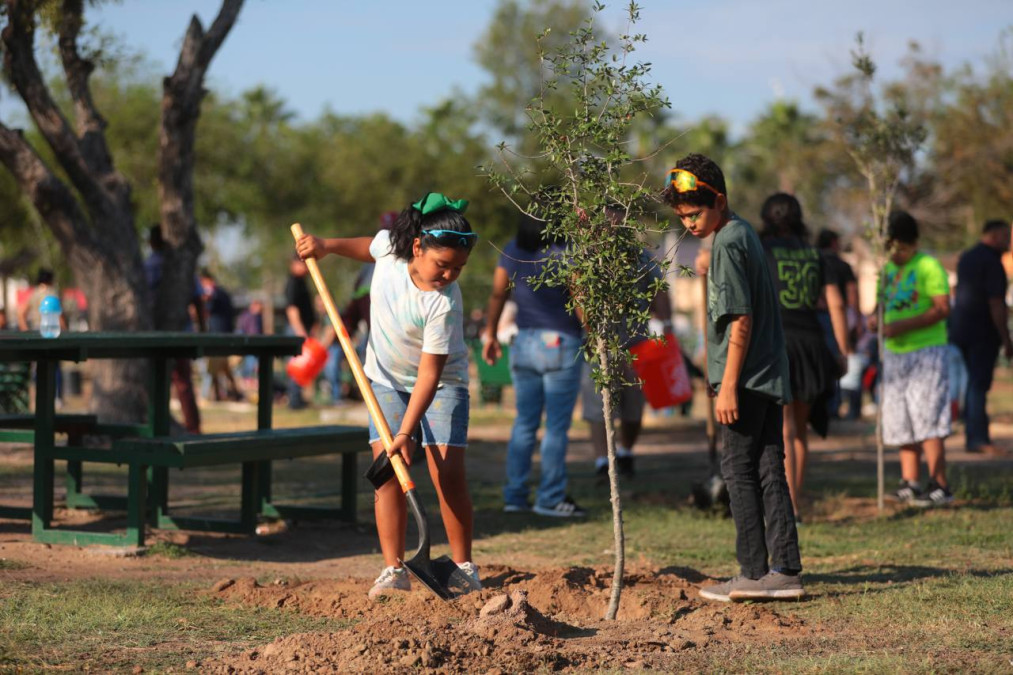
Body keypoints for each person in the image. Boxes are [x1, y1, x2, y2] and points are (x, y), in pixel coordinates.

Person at [295, 191, 481, 599]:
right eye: (443, 265)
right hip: (385, 380)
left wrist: (407, 432)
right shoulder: (391, 252)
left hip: (442, 385)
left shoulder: (444, 303)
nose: (449, 275)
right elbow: (368, 245)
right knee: (388, 474)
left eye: (458, 269)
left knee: (445, 473)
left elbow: (430, 375)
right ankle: (393, 568)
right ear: (417, 247)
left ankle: (464, 566)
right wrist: (326, 246)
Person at [663, 153, 803, 602]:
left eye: (695, 213)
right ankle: (783, 570)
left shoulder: (727, 242)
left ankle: (752, 571)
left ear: (718, 200)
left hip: (745, 381)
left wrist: (727, 385)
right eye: (682, 217)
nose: (688, 224)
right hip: (764, 374)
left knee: (738, 471)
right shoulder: (740, 232)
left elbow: (739, 320)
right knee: (767, 468)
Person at [483, 213, 586, 517]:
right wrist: (593, 333)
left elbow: (497, 293)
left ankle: (515, 495)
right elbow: (579, 295)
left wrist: (490, 333)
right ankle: (550, 497)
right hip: (560, 342)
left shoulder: (513, 249)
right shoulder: (564, 251)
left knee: (524, 424)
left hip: (524, 342)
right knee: (556, 427)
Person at [759, 194, 849, 522]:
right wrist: (841, 349)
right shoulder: (816, 254)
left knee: (782, 429)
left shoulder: (761, 250)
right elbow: (836, 304)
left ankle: (785, 507)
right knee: (798, 429)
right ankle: (794, 504)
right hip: (811, 343)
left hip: (777, 342)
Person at [871, 211, 954, 506]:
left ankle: (939, 484)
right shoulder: (888, 271)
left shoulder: (928, 266)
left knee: (928, 416)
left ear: (912, 242)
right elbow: (881, 306)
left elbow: (943, 308)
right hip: (895, 353)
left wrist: (899, 326)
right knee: (900, 416)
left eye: (899, 247)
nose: (895, 253)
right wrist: (874, 320)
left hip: (926, 352)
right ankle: (910, 481)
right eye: (890, 247)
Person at [581, 244, 672, 481]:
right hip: (599, 346)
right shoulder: (588, 255)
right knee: (598, 407)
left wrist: (667, 326)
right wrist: (592, 332)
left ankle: (626, 453)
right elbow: (578, 293)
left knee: (633, 406)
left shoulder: (641, 256)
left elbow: (659, 290)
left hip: (636, 344)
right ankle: (602, 461)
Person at [949, 219, 1012, 456]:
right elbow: (996, 303)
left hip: (961, 330)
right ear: (994, 235)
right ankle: (977, 438)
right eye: (1006, 236)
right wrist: (1006, 338)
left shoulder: (968, 256)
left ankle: (973, 435)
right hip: (982, 333)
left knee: (971, 385)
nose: (1009, 242)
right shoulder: (992, 262)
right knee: (977, 385)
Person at [144, 225, 203, 434]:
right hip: (180, 333)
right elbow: (198, 299)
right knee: (183, 382)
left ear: (151, 242)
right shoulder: (180, 267)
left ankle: (157, 425)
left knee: (154, 381)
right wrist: (202, 330)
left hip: (150, 335)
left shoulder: (145, 266)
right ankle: (193, 427)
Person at [817, 228, 863, 419]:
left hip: (815, 317)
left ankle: (824, 407)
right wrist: (857, 318)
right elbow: (852, 292)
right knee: (841, 358)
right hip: (838, 316)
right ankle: (838, 405)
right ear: (834, 243)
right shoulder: (842, 266)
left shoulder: (813, 261)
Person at [199, 269, 242, 402]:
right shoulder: (223, 293)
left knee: (214, 367)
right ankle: (229, 393)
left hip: (217, 335)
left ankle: (208, 395)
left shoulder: (213, 291)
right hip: (226, 333)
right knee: (222, 368)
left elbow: (207, 307)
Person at [284, 254, 317, 410]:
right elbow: (292, 309)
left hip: (302, 329)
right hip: (296, 329)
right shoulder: (293, 283)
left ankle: (297, 397)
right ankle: (294, 399)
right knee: (297, 365)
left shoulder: (302, 282)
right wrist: (300, 332)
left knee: (303, 366)